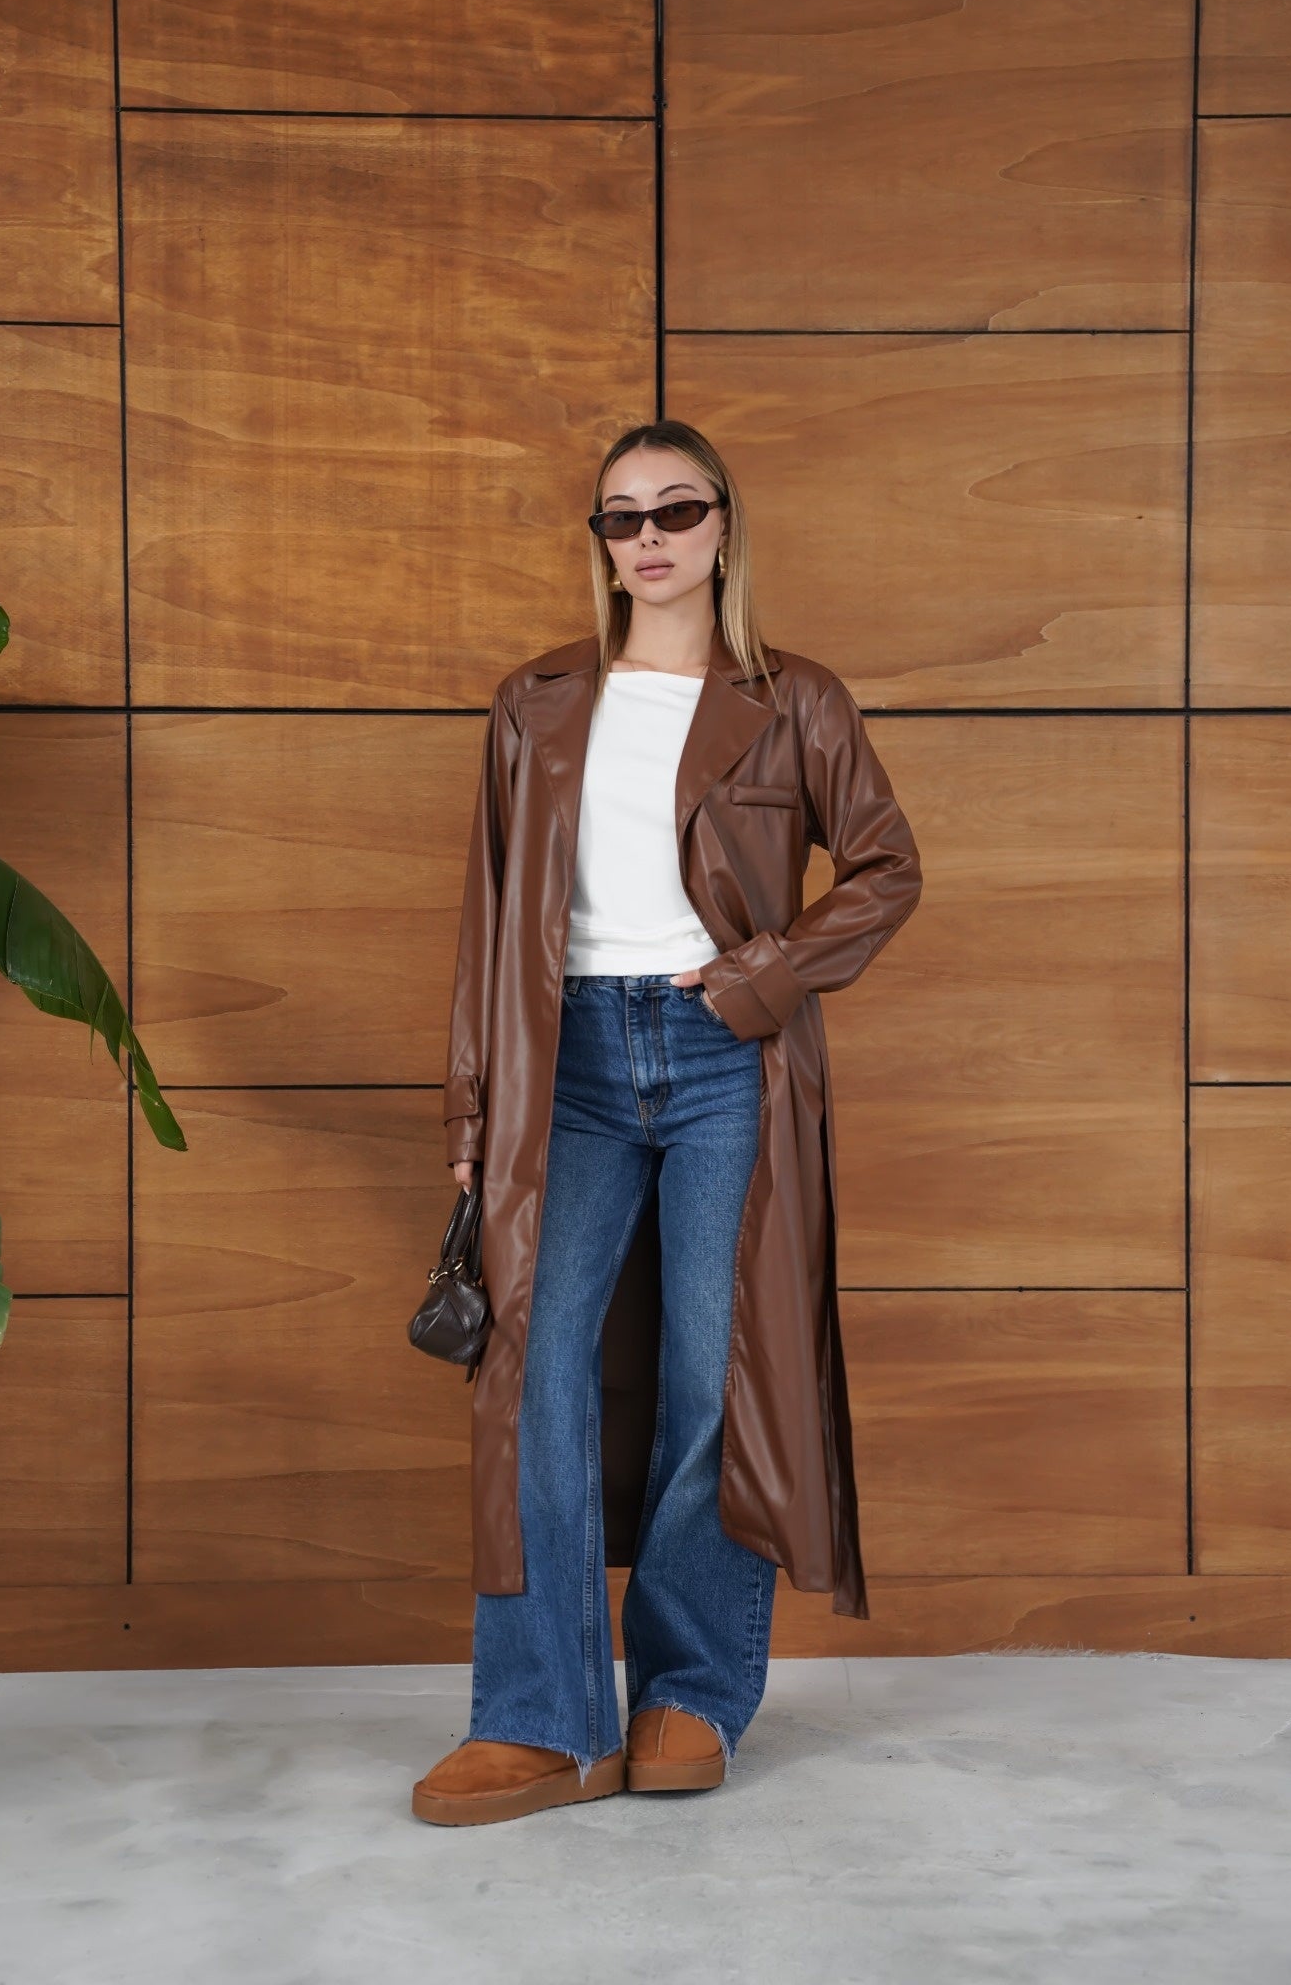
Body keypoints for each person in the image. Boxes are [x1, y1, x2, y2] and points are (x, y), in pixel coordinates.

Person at [412, 419, 922, 1826]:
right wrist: (472, 1102)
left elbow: (884, 867)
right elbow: (489, 919)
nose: (647, 538)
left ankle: (688, 1692)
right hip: (563, 1061)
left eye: (675, 510)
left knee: (715, 1372)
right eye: (620, 517)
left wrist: (762, 976)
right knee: (535, 1373)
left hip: (722, 1059)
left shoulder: (795, 699)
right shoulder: (534, 704)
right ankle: (540, 1719)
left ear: (722, 527)